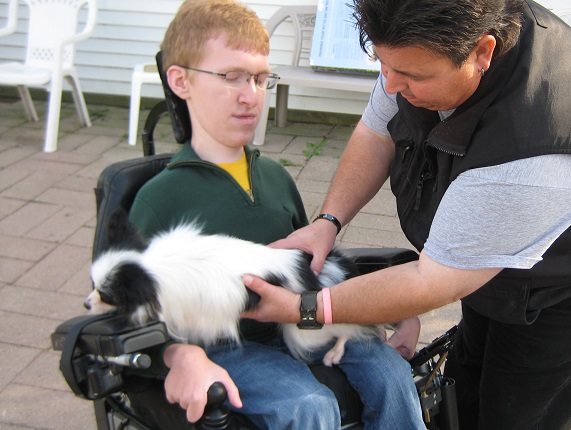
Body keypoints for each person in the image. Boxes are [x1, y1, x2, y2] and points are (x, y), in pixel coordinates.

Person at [243, 0, 571, 429]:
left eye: (411, 76)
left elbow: (434, 280)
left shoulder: (536, 145)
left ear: (482, 52)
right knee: (465, 384)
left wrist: (307, 309)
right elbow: (376, 132)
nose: (389, 85)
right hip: (491, 239)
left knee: (515, 410)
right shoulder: (417, 40)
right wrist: (326, 224)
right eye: (382, 64)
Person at [127, 0, 425, 428]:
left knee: (392, 374)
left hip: (297, 321)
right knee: (307, 402)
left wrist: (390, 311)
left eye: (261, 78)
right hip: (228, 344)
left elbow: (312, 270)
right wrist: (179, 354)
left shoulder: (273, 177)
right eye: (231, 77)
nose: (250, 95)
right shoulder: (162, 199)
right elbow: (132, 311)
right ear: (181, 81)